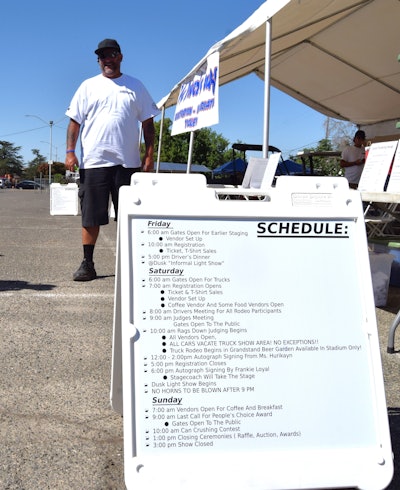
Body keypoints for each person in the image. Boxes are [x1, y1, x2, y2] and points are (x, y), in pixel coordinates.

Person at [65, 39, 160, 281]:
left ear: (120, 57)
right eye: (102, 56)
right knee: (91, 216)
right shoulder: (88, 86)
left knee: (129, 216)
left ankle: (133, 264)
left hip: (127, 164)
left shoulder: (136, 86)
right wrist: (70, 151)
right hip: (94, 163)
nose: (107, 59)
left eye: (112, 54)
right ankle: (88, 263)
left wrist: (149, 156)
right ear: (99, 61)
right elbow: (74, 122)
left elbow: (148, 123)